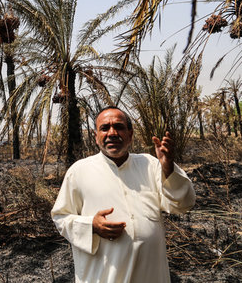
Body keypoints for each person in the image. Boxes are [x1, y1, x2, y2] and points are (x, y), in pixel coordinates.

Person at [51, 106, 195, 283]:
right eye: (104, 128)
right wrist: (91, 225)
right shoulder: (79, 171)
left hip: (150, 275)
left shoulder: (150, 165)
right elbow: (60, 218)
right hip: (103, 277)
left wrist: (168, 168)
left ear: (130, 134)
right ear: (96, 136)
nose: (112, 133)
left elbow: (183, 204)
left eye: (118, 127)